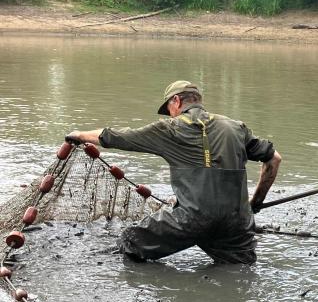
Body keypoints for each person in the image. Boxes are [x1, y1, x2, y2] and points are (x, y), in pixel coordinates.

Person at [66, 80, 281, 264]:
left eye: (169, 108)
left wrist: (80, 135)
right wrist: (256, 203)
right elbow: (274, 159)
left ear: (176, 102)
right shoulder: (236, 127)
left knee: (130, 241)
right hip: (236, 225)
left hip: (190, 221)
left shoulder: (169, 129)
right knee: (239, 271)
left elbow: (118, 137)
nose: (170, 114)